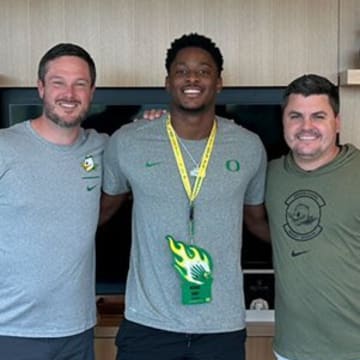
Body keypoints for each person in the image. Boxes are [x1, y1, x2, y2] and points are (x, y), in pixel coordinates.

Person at [100, 33, 269, 360]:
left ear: (219, 83)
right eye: (182, 71)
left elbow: (258, 220)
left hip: (221, 328)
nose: (192, 77)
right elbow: (100, 213)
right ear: (167, 82)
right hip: (148, 325)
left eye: (203, 71)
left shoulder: (249, 147)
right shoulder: (128, 142)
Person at [0, 43, 108, 359]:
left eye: (80, 84)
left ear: (92, 91)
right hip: (11, 330)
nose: (69, 93)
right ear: (41, 88)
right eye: (58, 82)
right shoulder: (4, 147)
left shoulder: (102, 148)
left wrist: (154, 121)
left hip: (78, 332)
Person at [266, 74, 360, 360]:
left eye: (318, 116)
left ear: (337, 122)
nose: (306, 127)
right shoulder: (268, 175)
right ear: (283, 121)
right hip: (290, 350)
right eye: (296, 116)